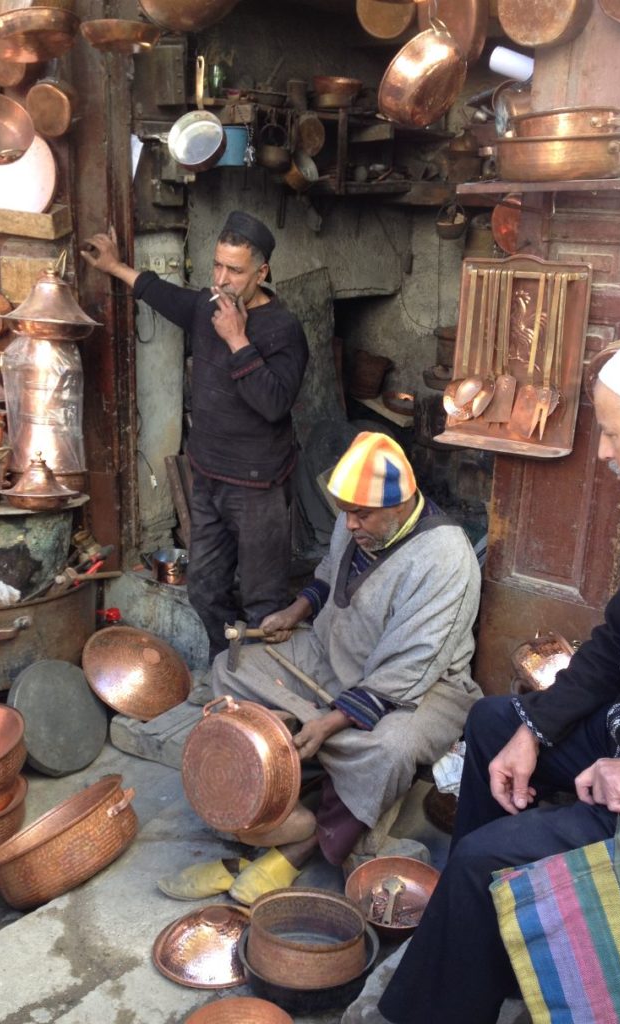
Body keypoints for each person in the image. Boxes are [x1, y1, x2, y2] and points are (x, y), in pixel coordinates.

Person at [377, 331, 620, 1024]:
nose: (601, 452)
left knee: (487, 859)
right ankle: (482, 949)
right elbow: (611, 641)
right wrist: (535, 729)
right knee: (493, 723)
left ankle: (448, 981)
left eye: (608, 432)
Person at [159, 431, 482, 904]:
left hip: (423, 688)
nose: (349, 524)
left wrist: (332, 719)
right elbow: (329, 575)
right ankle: (274, 789)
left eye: (361, 514)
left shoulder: (445, 558)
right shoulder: (355, 519)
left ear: (402, 504)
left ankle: (297, 846)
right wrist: (293, 612)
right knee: (234, 664)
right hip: (336, 655)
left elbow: (412, 664)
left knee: (388, 749)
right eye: (345, 512)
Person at [81, 212, 309, 661]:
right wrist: (114, 267)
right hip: (208, 478)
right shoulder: (208, 306)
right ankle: (225, 669)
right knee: (205, 590)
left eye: (236, 270)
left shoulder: (284, 329)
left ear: (261, 272)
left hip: (258, 487)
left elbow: (275, 403)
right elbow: (164, 295)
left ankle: (264, 697)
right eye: (217, 266)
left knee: (265, 603)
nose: (222, 280)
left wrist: (238, 340)